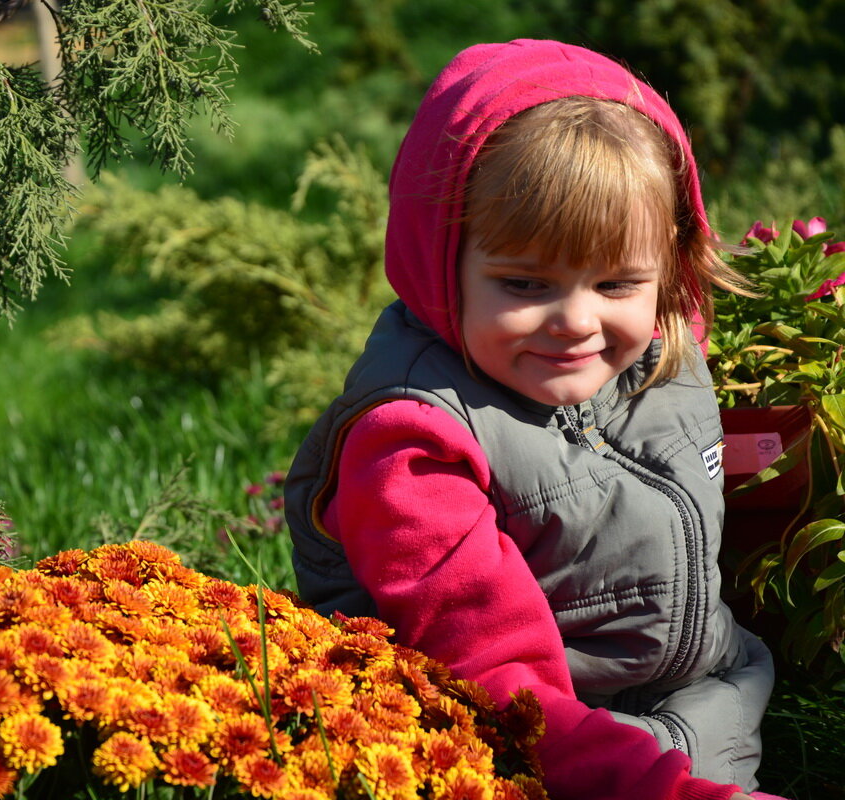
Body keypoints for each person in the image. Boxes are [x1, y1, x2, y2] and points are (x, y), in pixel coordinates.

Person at [284, 39, 783, 800]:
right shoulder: (417, 451)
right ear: (440, 261)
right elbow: (499, 695)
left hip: (717, 699)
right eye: (524, 282)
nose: (576, 321)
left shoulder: (659, 350)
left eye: (618, 281)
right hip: (546, 758)